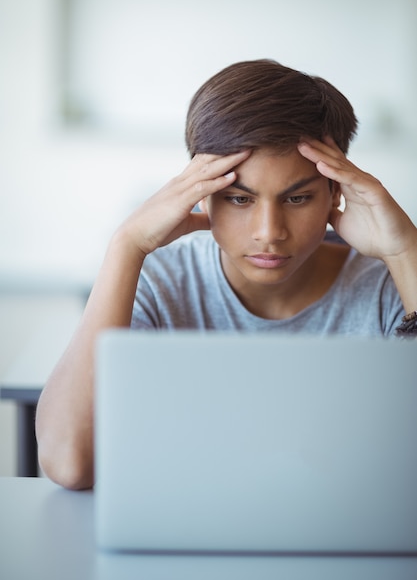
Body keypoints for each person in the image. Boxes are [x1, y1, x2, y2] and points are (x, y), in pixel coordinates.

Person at [35, 59, 417, 490]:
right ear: (199, 195)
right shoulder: (163, 284)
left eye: (298, 198)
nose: (269, 233)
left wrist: (407, 250)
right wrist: (126, 246)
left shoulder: (390, 288)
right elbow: (70, 461)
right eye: (238, 198)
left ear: (335, 194)